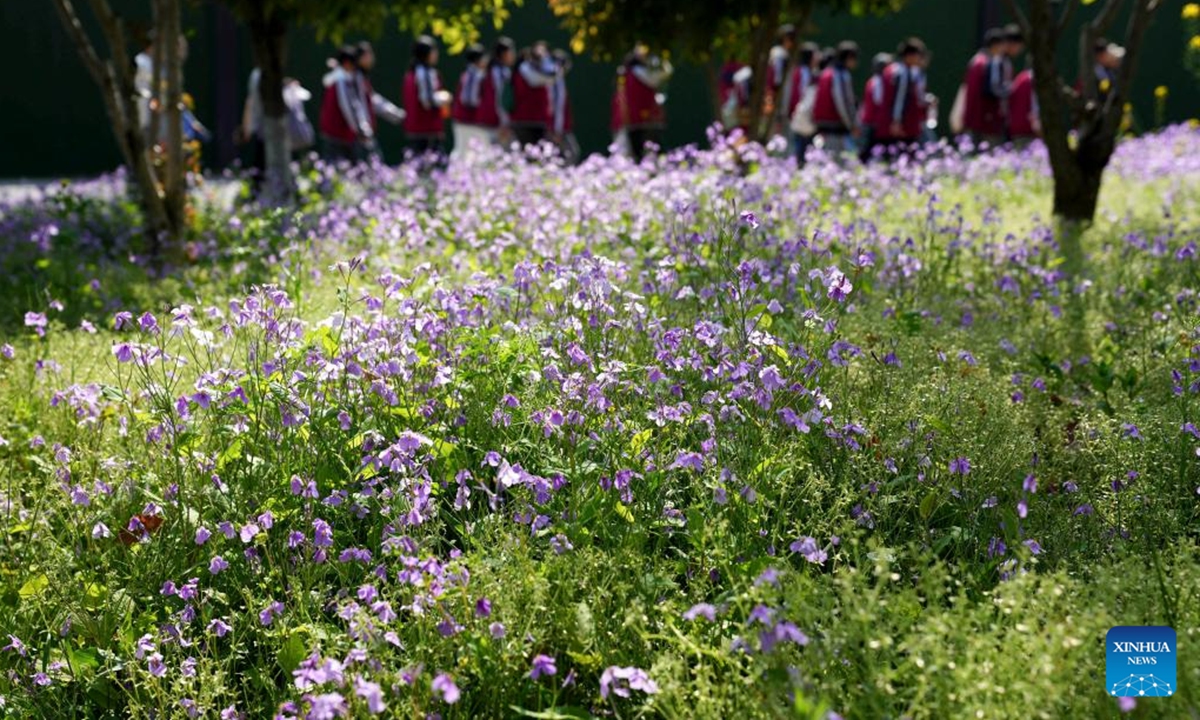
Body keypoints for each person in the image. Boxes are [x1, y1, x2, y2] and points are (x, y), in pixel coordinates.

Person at [611, 45, 672, 161]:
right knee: (644, 152)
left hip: (635, 120)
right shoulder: (636, 72)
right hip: (638, 119)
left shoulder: (628, 72)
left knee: (641, 151)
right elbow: (662, 74)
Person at [319, 46, 373, 163]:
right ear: (347, 64)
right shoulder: (340, 80)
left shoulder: (336, 78)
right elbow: (346, 106)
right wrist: (358, 130)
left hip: (336, 131)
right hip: (339, 133)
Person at [356, 41, 405, 159]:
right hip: (358, 133)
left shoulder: (361, 77)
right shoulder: (355, 79)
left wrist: (396, 114)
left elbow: (373, 99)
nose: (372, 58)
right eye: (368, 55)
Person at [402, 35, 450, 153]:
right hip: (426, 130)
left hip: (417, 128)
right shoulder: (424, 73)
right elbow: (427, 101)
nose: (436, 54)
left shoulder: (412, 72)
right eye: (433, 51)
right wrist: (444, 97)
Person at [812, 41, 859, 159]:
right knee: (835, 162)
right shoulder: (841, 74)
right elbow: (843, 102)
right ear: (849, 58)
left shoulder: (826, 72)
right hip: (835, 125)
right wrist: (852, 124)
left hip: (821, 123)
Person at [960, 28, 1006, 145]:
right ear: (996, 45)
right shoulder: (989, 62)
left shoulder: (975, 60)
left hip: (972, 116)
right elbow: (991, 90)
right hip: (986, 117)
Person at [511, 42, 556, 146]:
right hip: (526, 121)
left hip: (537, 122)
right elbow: (535, 80)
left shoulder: (536, 71)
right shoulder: (525, 70)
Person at [782, 42, 820, 164]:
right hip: (800, 115)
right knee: (800, 146)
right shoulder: (803, 72)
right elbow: (802, 94)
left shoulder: (801, 70)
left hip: (798, 114)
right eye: (815, 56)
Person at [475, 37, 516, 147]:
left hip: (486, 120)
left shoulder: (489, 70)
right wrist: (504, 122)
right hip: (495, 122)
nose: (513, 55)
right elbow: (500, 98)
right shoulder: (500, 72)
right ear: (503, 54)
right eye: (511, 51)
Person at [451, 43, 489, 155]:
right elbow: (469, 99)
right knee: (465, 152)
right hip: (469, 120)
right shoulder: (475, 74)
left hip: (465, 119)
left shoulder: (469, 73)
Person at [857, 52, 892, 162]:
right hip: (875, 124)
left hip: (870, 122)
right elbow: (879, 101)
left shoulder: (872, 80)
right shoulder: (879, 82)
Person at [766, 24, 797, 136]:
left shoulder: (782, 52)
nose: (793, 42)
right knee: (777, 133)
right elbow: (777, 79)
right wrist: (777, 99)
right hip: (778, 99)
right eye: (791, 38)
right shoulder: (778, 53)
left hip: (782, 99)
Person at [550, 49, 579, 163]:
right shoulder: (555, 79)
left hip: (560, 127)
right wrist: (557, 130)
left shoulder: (557, 79)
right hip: (556, 128)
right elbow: (557, 105)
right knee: (571, 153)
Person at [1008, 67, 1039, 145]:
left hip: (1015, 127)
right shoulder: (1031, 80)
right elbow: (1034, 108)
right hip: (1026, 129)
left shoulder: (1021, 77)